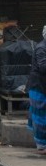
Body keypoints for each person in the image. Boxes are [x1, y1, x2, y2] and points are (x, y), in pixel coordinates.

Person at [27, 25, 46, 155]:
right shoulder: (41, 48)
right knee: (40, 116)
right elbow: (43, 67)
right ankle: (41, 145)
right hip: (38, 86)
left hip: (43, 86)